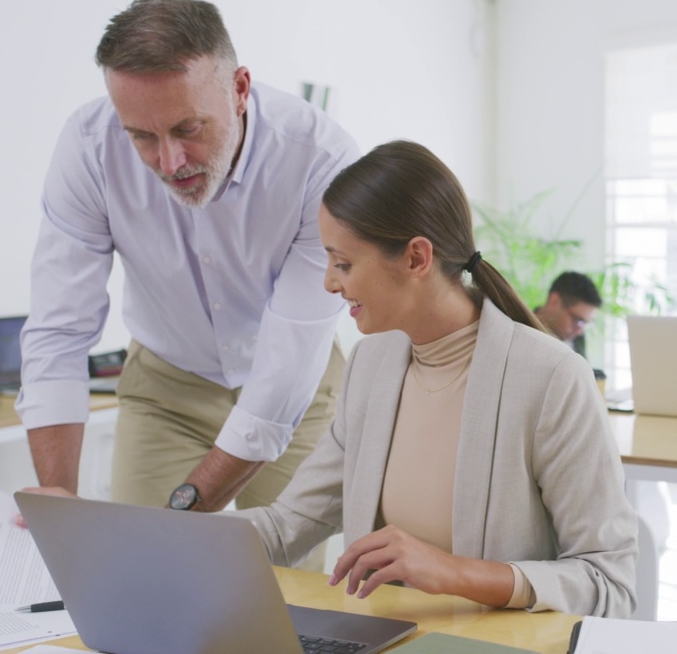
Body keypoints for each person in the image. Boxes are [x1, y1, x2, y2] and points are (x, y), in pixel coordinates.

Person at [234, 141, 638, 617]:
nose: (329, 282)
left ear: (416, 258)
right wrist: (167, 536)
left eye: (343, 263)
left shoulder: (551, 378)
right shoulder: (370, 366)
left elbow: (609, 583)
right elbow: (288, 525)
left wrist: (452, 572)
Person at [16, 0, 357, 515]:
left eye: (188, 129)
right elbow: (60, 328)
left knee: (280, 582)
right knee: (143, 575)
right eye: (141, 137)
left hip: (297, 385)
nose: (169, 161)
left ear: (239, 90)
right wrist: (58, 501)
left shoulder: (322, 161)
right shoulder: (87, 147)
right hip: (165, 383)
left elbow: (287, 366)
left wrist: (185, 514)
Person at [533, 271, 602, 358]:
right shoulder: (521, 329)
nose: (579, 331)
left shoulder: (577, 339)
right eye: (577, 320)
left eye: (584, 323)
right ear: (554, 301)